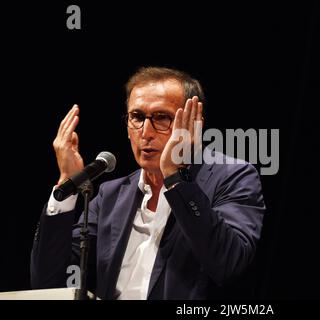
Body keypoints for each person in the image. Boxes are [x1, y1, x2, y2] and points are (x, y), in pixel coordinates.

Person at [30, 66, 265, 299]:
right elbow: (47, 283)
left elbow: (227, 264)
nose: (146, 132)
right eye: (137, 117)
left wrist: (176, 176)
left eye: (161, 117)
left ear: (194, 124)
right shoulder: (110, 195)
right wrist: (66, 185)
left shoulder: (233, 177)